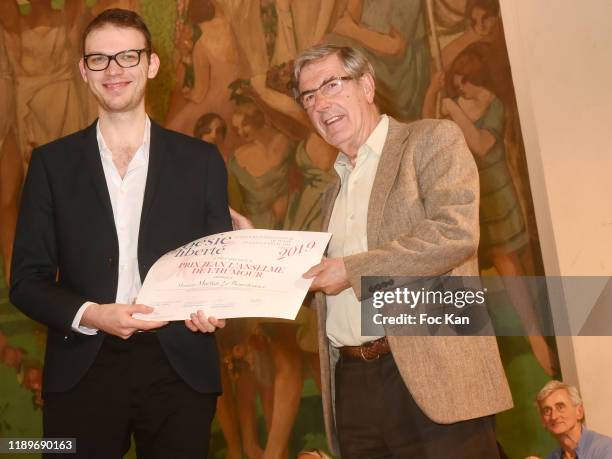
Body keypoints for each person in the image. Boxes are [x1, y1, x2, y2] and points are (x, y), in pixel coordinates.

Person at [9, 9, 231, 459]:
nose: (114, 70)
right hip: (81, 369)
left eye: (127, 57)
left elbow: (216, 271)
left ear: (151, 65)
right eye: (99, 59)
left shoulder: (201, 161)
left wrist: (213, 308)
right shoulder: (51, 165)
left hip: (179, 369)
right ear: (83, 72)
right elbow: (26, 282)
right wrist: (92, 314)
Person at [296, 44, 513, 458]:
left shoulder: (431, 139)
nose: (320, 103)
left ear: (367, 85)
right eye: (308, 96)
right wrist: (264, 263)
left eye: (330, 85)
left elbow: (455, 233)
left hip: (435, 374)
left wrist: (354, 271)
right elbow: (331, 283)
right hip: (354, 385)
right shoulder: (332, 193)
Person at [526, 380, 612, 459]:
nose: (554, 416)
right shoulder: (553, 456)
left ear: (579, 411)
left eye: (560, 407)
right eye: (547, 410)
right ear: (543, 421)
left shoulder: (605, 448)